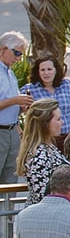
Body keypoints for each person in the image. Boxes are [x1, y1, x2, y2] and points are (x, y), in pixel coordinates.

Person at [21, 55, 70, 151]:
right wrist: (20, 132)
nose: (46, 73)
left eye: (49, 69)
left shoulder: (66, 85)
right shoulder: (29, 90)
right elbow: (15, 111)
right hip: (42, 141)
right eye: (42, 70)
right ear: (38, 72)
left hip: (67, 138)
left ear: (56, 70)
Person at [15, 98, 67, 204]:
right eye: (58, 119)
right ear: (45, 123)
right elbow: (42, 194)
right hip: (46, 210)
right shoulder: (39, 155)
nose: (62, 122)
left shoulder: (48, 146)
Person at [0, 30, 33, 183]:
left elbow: (10, 103)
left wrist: (21, 107)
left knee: (11, 178)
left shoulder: (10, 73)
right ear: (3, 48)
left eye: (21, 55)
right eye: (17, 53)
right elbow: (10, 100)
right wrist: (15, 100)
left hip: (12, 130)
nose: (18, 58)